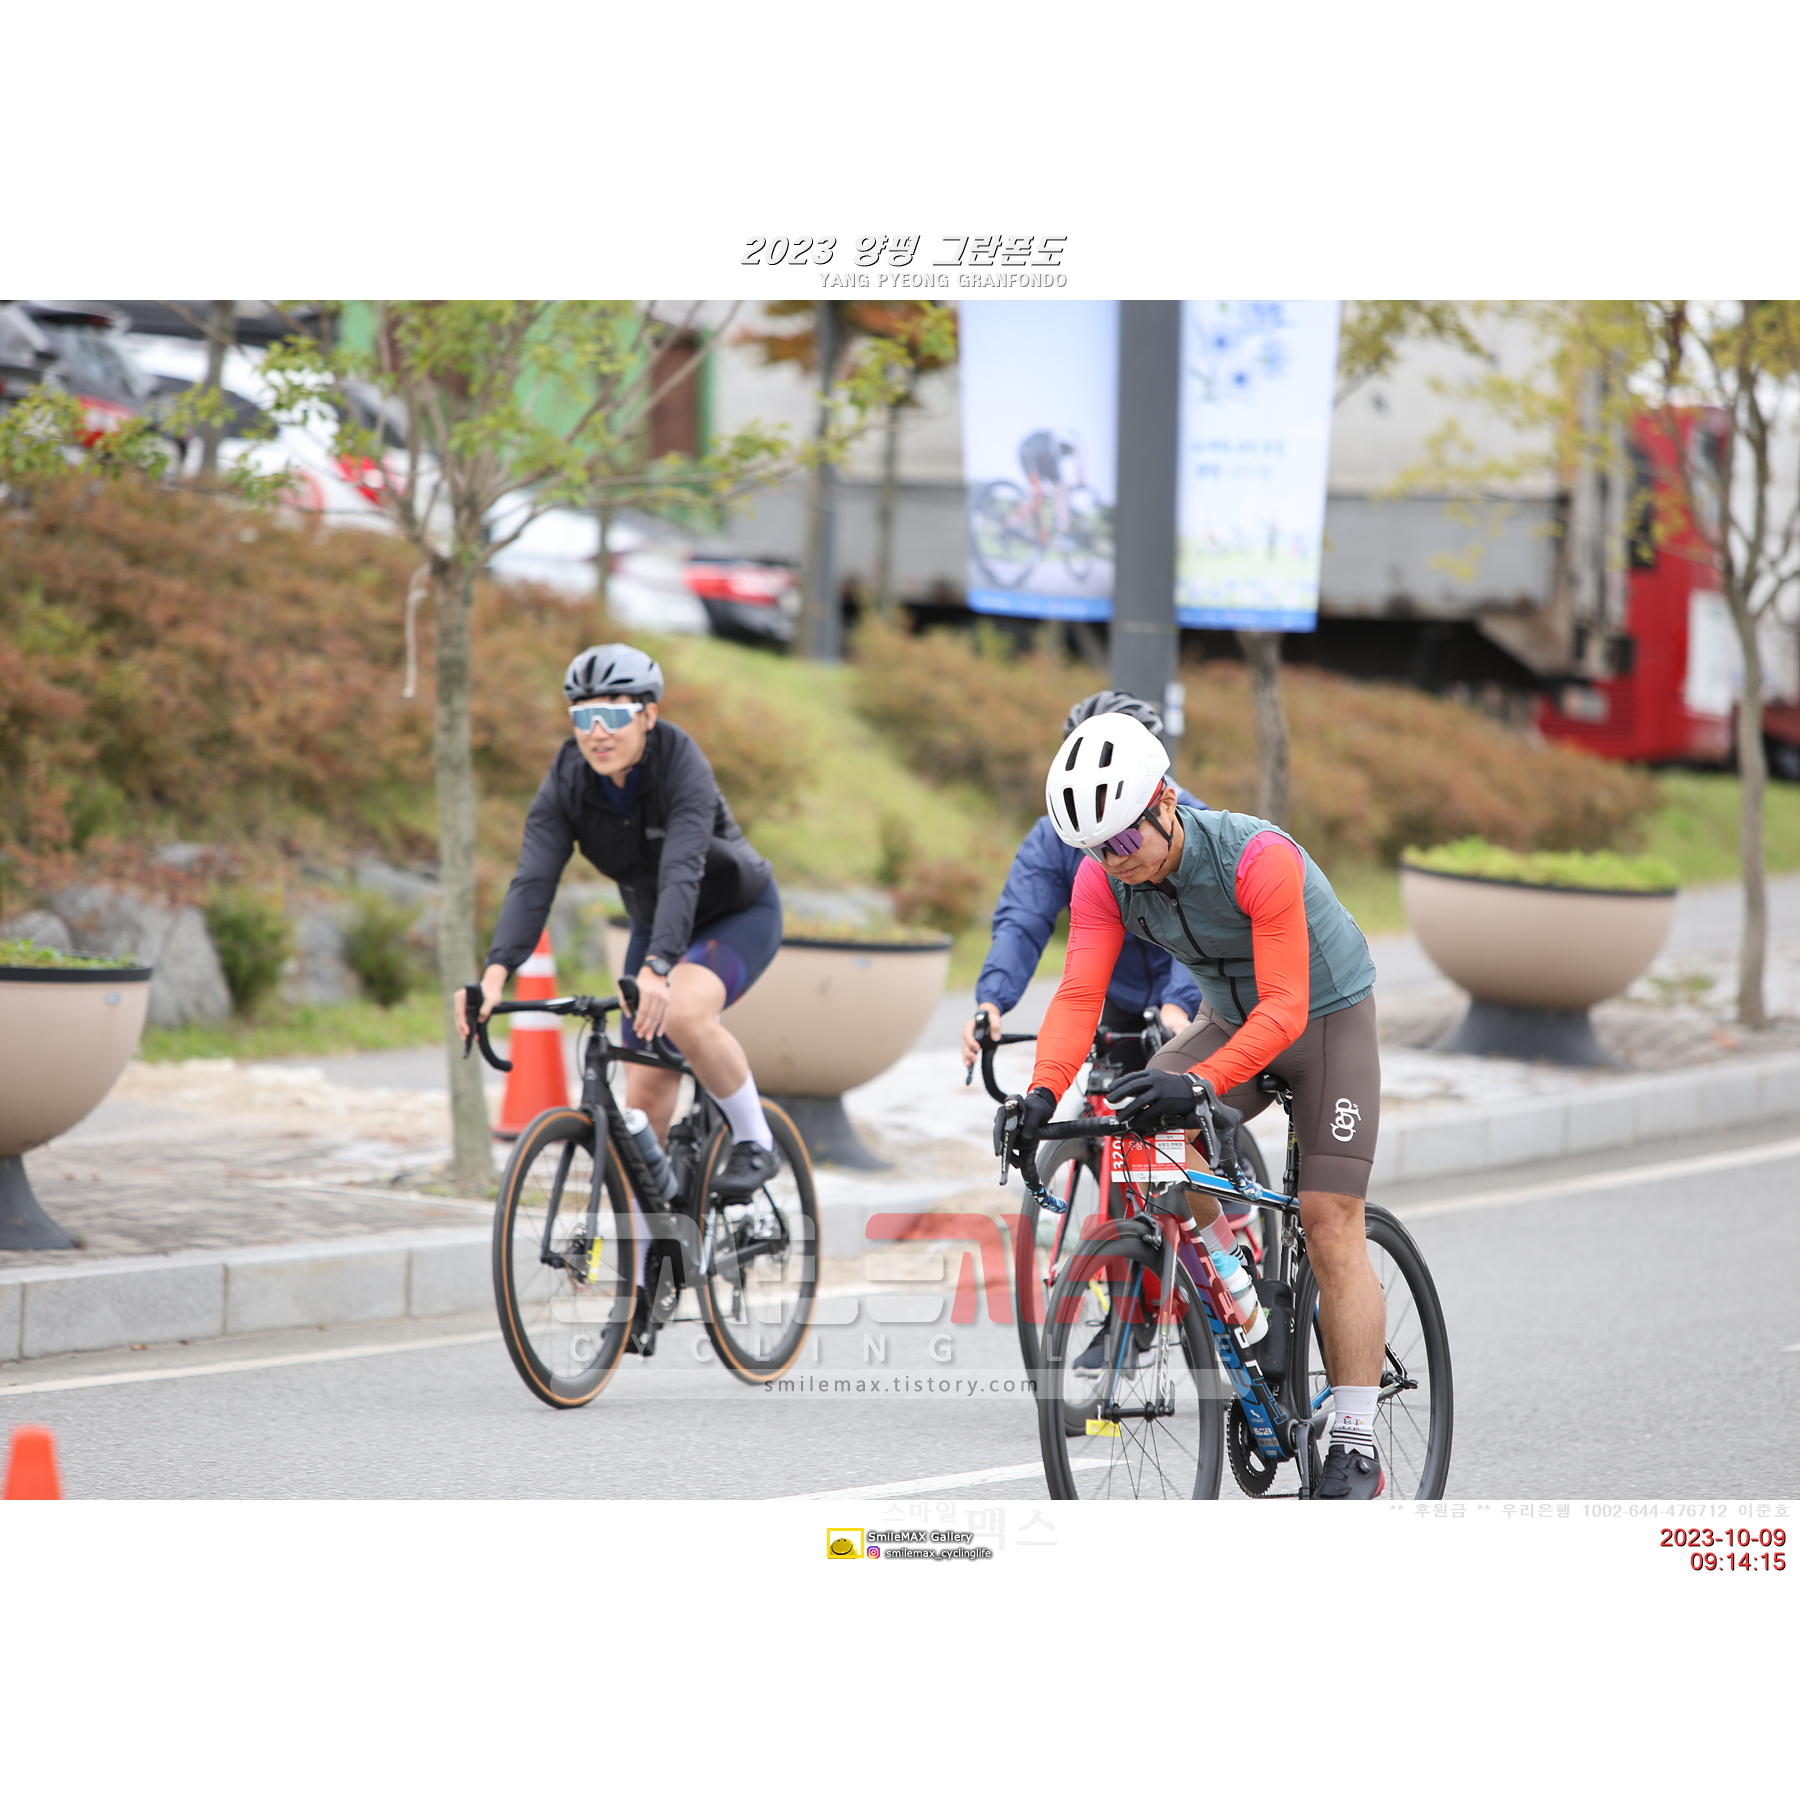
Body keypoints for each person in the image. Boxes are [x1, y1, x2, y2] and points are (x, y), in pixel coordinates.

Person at [1002, 710, 1389, 1499]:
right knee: (1142, 1128)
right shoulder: (1105, 879)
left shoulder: (1257, 857)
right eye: (1095, 849)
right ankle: (1244, 1300)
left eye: (1123, 838)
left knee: (1328, 1220)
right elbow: (1078, 995)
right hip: (1230, 1018)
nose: (1114, 860)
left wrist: (1202, 1084)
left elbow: (1285, 1009)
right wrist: (1039, 1092)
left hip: (1325, 1021)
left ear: (1167, 801)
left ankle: (1355, 1440)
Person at [457, 644, 783, 1204]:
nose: (598, 731)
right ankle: (654, 1251)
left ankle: (756, 1141)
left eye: (614, 712)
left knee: (683, 1012)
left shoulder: (680, 762)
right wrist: (492, 977)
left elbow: (682, 871)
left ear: (648, 715)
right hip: (655, 925)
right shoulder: (568, 780)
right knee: (645, 1105)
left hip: (733, 915)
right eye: (583, 715)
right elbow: (533, 881)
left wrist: (658, 967)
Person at [960, 691, 1204, 1077]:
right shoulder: (1053, 836)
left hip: (1198, 991)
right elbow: (1022, 920)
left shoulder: (1187, 821)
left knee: (1199, 1101)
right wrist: (991, 1002)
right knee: (1112, 1102)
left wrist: (1178, 1004)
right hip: (1123, 995)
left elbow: (1205, 925)